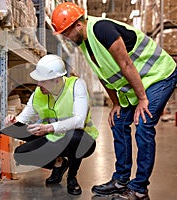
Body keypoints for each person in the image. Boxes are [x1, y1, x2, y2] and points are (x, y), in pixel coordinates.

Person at [51, 2, 177, 200]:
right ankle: (121, 180)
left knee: (143, 124)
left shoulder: (101, 29)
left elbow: (126, 64)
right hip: (140, 83)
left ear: (77, 25)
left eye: (66, 32)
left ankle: (139, 189)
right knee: (119, 121)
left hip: (159, 75)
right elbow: (104, 74)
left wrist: (143, 99)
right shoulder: (84, 43)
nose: (65, 37)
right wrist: (116, 104)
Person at [3, 54, 99, 195]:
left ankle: (72, 177)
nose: (39, 84)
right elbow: (24, 118)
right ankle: (59, 163)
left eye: (43, 81)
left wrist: (49, 128)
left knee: (75, 137)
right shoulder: (39, 92)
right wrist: (14, 120)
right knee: (20, 152)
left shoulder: (76, 86)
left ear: (57, 80)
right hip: (53, 137)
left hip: (81, 139)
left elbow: (79, 121)